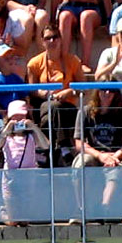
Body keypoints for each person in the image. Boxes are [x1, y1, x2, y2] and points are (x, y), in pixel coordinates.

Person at [26, 24, 84, 163]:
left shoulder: (72, 60)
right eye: (48, 38)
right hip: (46, 106)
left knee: (50, 115)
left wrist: (68, 92)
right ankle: (63, 147)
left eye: (55, 37)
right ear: (42, 41)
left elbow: (83, 87)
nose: (52, 41)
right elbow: (32, 90)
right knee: (52, 107)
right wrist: (45, 94)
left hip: (68, 107)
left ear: (61, 39)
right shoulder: (34, 63)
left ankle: (48, 150)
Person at [0, 98, 49, 222]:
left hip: (28, 178)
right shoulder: (7, 136)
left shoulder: (31, 136)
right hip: (10, 178)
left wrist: (34, 128)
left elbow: (45, 145)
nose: (18, 121)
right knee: (13, 220)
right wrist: (5, 131)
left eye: (21, 117)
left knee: (24, 219)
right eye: (15, 118)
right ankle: (4, 212)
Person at [54, 0, 112, 74]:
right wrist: (52, 18)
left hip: (91, 7)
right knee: (65, 17)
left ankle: (85, 63)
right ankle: (63, 61)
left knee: (86, 17)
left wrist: (109, 19)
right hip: (70, 6)